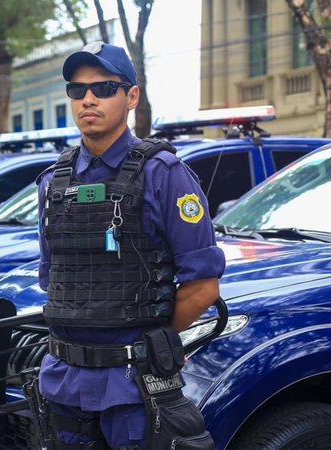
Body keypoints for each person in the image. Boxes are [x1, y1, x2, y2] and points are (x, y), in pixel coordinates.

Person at [36, 43, 225, 449]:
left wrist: (153, 342)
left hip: (133, 389)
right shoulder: (53, 183)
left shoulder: (165, 175)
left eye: (104, 88)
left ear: (131, 97)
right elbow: (51, 278)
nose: (88, 99)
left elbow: (202, 288)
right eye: (77, 90)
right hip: (64, 386)